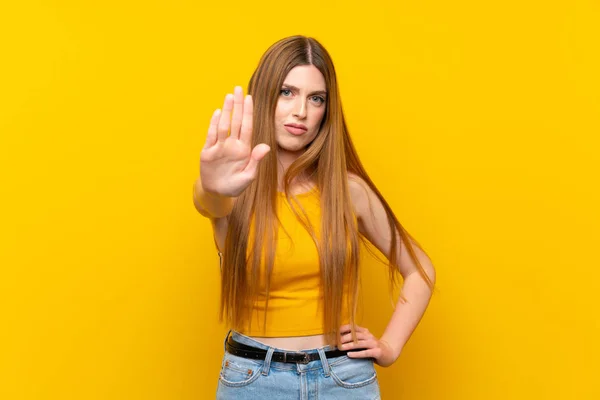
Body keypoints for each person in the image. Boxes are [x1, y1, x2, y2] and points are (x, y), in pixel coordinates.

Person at [193, 35, 436, 399]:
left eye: (316, 98)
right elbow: (210, 203)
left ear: (327, 109)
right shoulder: (232, 189)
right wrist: (213, 186)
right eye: (287, 93)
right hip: (255, 381)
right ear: (263, 97)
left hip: (343, 379)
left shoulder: (347, 191)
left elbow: (420, 270)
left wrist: (389, 346)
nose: (301, 112)